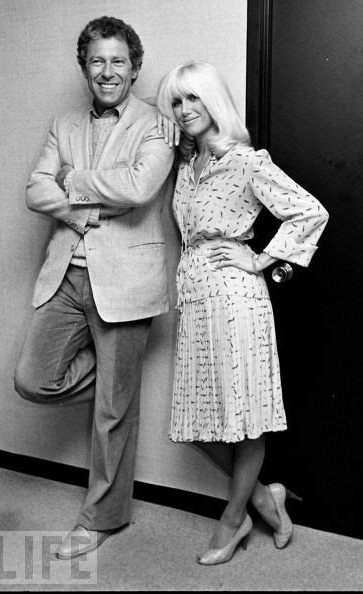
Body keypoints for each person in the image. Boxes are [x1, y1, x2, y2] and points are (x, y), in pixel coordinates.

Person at [14, 16, 174, 560]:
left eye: (118, 61)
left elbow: (138, 186)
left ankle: (101, 519)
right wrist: (85, 213)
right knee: (34, 379)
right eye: (97, 61)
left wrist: (72, 184)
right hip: (66, 272)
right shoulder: (64, 123)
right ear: (85, 67)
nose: (108, 71)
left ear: (135, 67)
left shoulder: (157, 123)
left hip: (127, 281)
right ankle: (116, 392)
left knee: (113, 411)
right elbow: (36, 191)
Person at [156, 60, 329, 565]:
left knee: (245, 421)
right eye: (176, 101)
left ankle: (233, 521)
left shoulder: (247, 161)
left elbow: (309, 210)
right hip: (194, 301)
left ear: (215, 102)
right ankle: (263, 498)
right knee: (197, 424)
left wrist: (260, 258)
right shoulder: (187, 167)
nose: (185, 109)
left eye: (193, 98)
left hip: (236, 301)